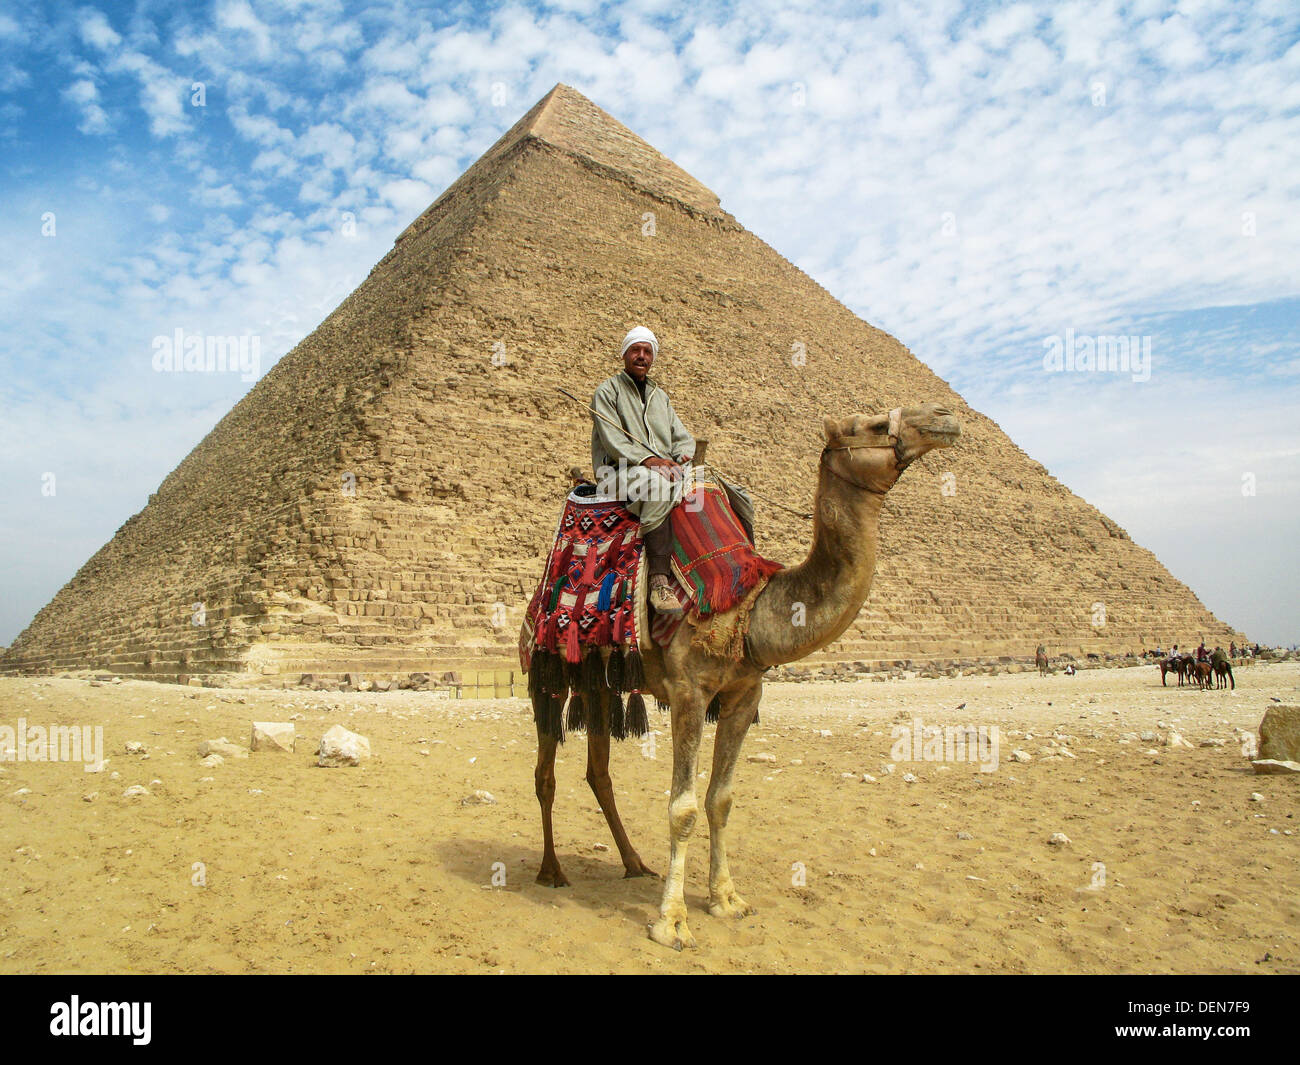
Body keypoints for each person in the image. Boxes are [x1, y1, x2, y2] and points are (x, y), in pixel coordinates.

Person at [590, 326, 754, 617]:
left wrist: (684, 457)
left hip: (666, 468)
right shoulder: (607, 392)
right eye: (635, 350)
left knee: (729, 491)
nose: (641, 356)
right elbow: (614, 444)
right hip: (619, 471)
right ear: (625, 354)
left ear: (652, 357)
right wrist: (650, 461)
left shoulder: (659, 397)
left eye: (647, 351)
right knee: (657, 486)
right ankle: (659, 582)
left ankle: (747, 566)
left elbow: (682, 438)